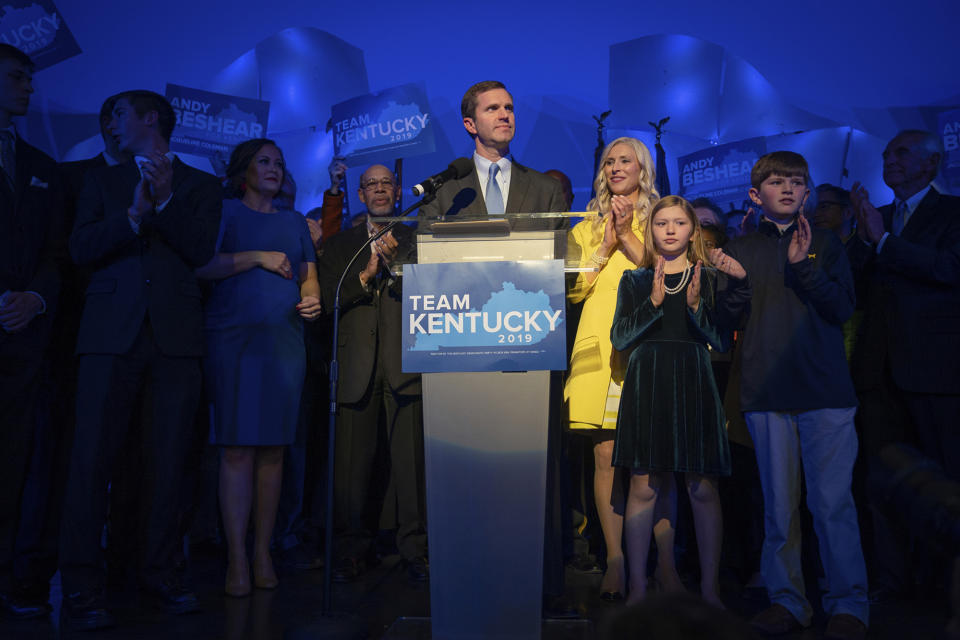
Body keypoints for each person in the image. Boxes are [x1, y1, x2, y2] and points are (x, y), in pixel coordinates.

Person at [59, 90, 221, 630]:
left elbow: (200, 251)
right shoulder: (100, 181)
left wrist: (168, 200)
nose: (110, 124)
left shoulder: (200, 183)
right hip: (108, 337)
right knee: (90, 467)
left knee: (169, 464)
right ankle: (82, 589)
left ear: (151, 118)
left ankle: (160, 576)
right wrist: (131, 217)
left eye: (118, 114)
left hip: (175, 341)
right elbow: (78, 249)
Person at [722, 152, 868, 640]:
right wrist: (736, 287)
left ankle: (849, 604)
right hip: (765, 392)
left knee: (832, 505)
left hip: (825, 392)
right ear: (754, 194)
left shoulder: (824, 243)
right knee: (778, 509)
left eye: (797, 182)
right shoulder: (741, 248)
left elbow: (842, 307)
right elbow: (727, 323)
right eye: (777, 181)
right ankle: (787, 601)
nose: (788, 188)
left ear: (807, 192)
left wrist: (803, 266)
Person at [195, 138, 320, 597]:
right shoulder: (225, 212)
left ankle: (263, 550)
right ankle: (235, 557)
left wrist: (313, 300)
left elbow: (309, 275)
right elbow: (202, 266)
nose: (272, 168)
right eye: (263, 161)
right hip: (233, 343)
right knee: (236, 450)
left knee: (273, 452)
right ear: (243, 169)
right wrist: (257, 258)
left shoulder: (293, 221)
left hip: (284, 344)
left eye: (279, 163)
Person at [610, 195, 743, 606]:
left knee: (702, 487)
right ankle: (636, 587)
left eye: (678, 223)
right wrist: (652, 305)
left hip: (693, 378)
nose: (669, 230)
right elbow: (620, 338)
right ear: (650, 231)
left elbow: (720, 340)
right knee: (643, 484)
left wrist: (695, 306)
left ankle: (709, 589)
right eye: (661, 223)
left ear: (692, 230)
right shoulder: (635, 280)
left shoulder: (709, 277)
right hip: (647, 379)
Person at [849, 130, 960, 601]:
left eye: (900, 154)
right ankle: (893, 584)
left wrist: (884, 240)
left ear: (932, 163)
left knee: (947, 488)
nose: (888, 161)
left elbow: (950, 270)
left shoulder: (953, 212)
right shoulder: (879, 217)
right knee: (883, 484)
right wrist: (861, 236)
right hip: (878, 375)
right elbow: (853, 283)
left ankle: (949, 587)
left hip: (938, 374)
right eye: (887, 155)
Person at [317, 164, 428, 582]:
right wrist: (366, 274)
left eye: (387, 184)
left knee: (411, 469)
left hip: (407, 364)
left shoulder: (418, 238)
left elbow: (435, 294)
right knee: (351, 470)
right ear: (360, 195)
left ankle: (415, 552)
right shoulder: (341, 243)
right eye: (371, 185)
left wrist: (398, 260)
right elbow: (328, 302)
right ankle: (350, 551)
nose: (380, 190)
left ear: (397, 192)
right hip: (356, 366)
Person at [563, 137, 659, 601]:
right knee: (605, 457)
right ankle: (615, 560)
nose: (616, 167)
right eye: (609, 161)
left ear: (643, 168)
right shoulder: (586, 224)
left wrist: (628, 236)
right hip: (600, 347)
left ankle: (658, 566)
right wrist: (604, 242)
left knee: (648, 463)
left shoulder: (662, 217)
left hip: (648, 346)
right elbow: (576, 291)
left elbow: (666, 273)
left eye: (626, 160)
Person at [0, 43, 64, 619]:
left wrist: (35, 296)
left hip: (25, 343)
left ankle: (18, 580)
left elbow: (53, 251)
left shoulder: (43, 167)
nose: (29, 87)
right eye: (18, 77)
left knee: (22, 464)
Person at [417, 80, 567, 224]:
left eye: (509, 108)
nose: (504, 115)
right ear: (471, 125)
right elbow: (422, 247)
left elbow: (561, 249)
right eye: (492, 108)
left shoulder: (547, 189)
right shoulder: (440, 191)